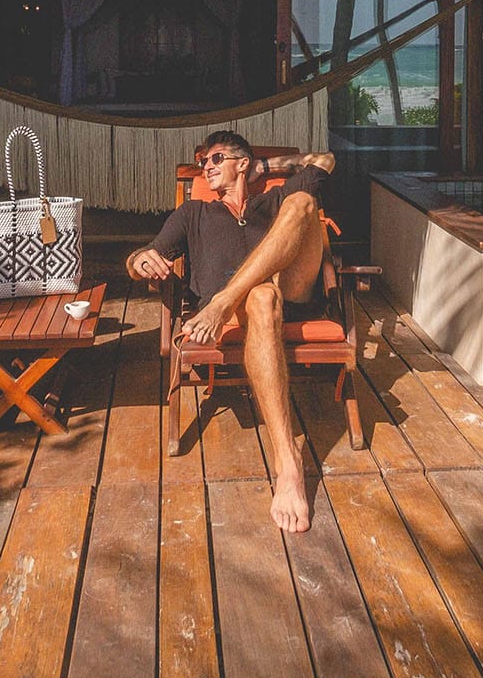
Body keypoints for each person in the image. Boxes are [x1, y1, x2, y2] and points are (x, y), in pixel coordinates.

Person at [126, 131, 335, 533]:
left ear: (242, 164)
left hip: (290, 291)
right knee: (259, 298)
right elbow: (140, 258)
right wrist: (140, 260)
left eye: (217, 157)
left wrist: (265, 167)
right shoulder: (194, 214)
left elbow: (324, 159)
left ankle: (225, 299)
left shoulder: (272, 199)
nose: (207, 165)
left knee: (304, 201)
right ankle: (288, 465)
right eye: (203, 159)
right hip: (249, 312)